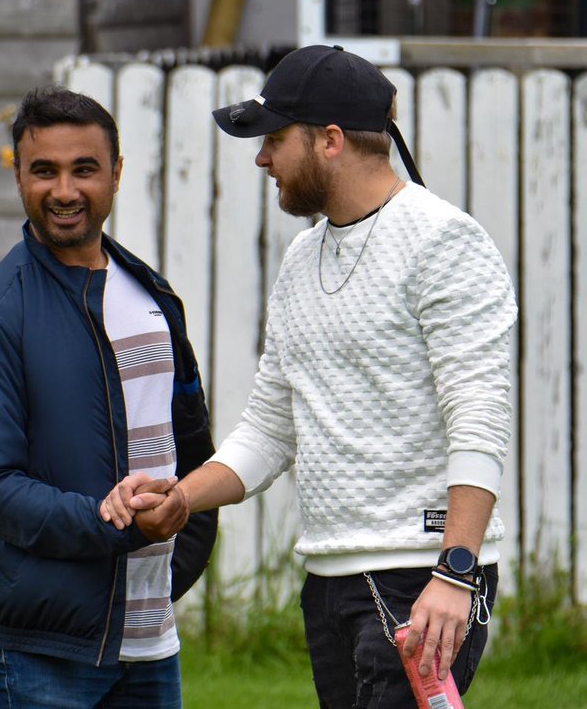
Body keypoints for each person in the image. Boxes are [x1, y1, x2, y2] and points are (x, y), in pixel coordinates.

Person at [101, 45, 517, 708]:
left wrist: (456, 571)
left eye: (273, 139)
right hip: (328, 581)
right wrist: (182, 496)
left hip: (420, 577)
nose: (261, 158)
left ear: (329, 140)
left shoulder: (445, 243)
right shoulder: (302, 258)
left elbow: (480, 418)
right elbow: (270, 430)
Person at [0, 86, 218, 708]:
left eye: (84, 169)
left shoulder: (152, 296)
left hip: (150, 639)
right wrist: (116, 525)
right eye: (44, 170)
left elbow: (190, 446)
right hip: (41, 649)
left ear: (116, 174)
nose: (64, 191)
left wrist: (181, 546)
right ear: (18, 176)